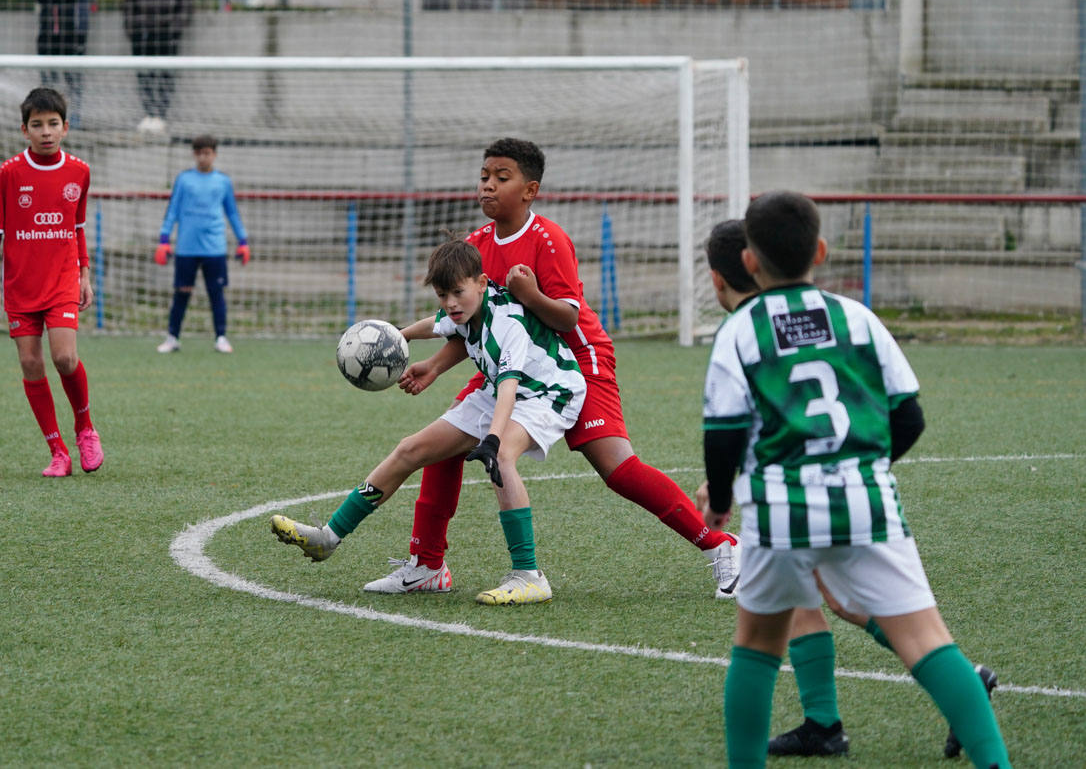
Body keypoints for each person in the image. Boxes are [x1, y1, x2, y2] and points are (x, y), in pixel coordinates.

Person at [701, 191, 1010, 768]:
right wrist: (861, 467)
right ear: (820, 250)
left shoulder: (742, 331)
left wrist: (720, 505)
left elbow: (722, 434)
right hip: (865, 501)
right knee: (928, 643)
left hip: (779, 511)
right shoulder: (857, 317)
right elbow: (909, 417)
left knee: (756, 648)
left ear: (748, 263)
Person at [366, 137, 739, 597]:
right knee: (443, 445)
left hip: (578, 360)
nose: (488, 186)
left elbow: (566, 316)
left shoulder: (548, 239)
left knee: (617, 468)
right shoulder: (476, 245)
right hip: (515, 363)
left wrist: (531, 295)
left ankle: (721, 547)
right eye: (484, 176)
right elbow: (481, 325)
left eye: (502, 178)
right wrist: (436, 366)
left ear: (530, 190)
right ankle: (426, 565)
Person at [270, 236, 586, 604]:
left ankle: (529, 576)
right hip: (503, 391)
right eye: (442, 295)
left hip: (549, 393)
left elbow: (508, 389)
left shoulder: (507, 325)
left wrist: (493, 439)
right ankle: (328, 538)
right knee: (410, 449)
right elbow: (435, 326)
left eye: (457, 292)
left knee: (500, 459)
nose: (450, 303)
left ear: (482, 284)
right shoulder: (465, 309)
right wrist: (391, 339)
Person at [0, 87, 103, 478]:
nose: (45, 131)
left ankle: (85, 429)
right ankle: (58, 452)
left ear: (65, 128)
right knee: (31, 363)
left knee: (64, 357)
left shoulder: (79, 171)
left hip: (62, 280)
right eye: (37, 125)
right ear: (24, 129)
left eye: (53, 124)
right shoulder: (10, 172)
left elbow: (78, 227)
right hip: (20, 285)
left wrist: (84, 273)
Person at [153, 134, 249, 354]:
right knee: (182, 292)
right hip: (187, 247)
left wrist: (243, 240)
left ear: (214, 154)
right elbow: (173, 210)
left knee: (216, 292)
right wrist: (164, 239)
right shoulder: (184, 179)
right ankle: (172, 337)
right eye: (199, 153)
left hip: (214, 248)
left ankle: (221, 337)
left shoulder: (223, 181)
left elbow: (232, 212)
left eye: (208, 153)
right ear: (194, 154)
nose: (204, 157)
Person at [124, 0, 193, 134]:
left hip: (167, 34)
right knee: (144, 74)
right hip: (142, 33)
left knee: (165, 74)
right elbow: (129, 2)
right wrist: (132, 28)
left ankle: (161, 114)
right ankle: (148, 113)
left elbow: (186, 2)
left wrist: (176, 28)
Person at [33, 0, 90, 125]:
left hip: (72, 34)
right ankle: (50, 118)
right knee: (49, 80)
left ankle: (73, 117)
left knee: (73, 79)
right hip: (48, 34)